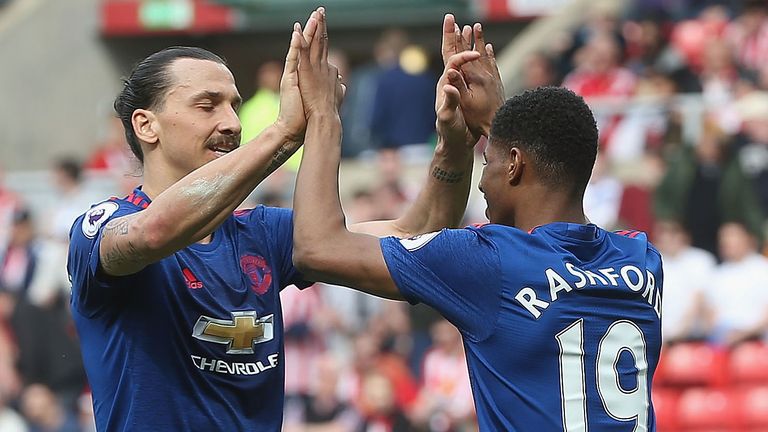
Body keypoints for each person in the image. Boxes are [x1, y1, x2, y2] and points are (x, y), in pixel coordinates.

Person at [66, 8, 479, 431]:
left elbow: (414, 233)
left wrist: (455, 146)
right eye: (207, 106)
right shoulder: (99, 227)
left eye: (234, 106)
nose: (231, 123)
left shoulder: (263, 233)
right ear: (146, 126)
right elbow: (153, 233)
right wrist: (284, 131)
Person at [292, 14, 663, 431]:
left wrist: (322, 115)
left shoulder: (487, 261)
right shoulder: (643, 258)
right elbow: (547, 206)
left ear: (515, 164)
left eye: (487, 162)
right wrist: (496, 126)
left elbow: (315, 248)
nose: (482, 182)